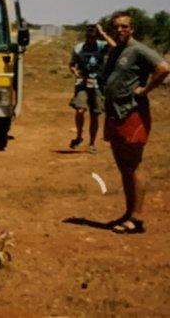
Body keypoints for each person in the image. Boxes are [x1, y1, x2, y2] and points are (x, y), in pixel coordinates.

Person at [100, 12, 169, 234]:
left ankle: (137, 217)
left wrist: (145, 89)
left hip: (132, 113)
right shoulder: (117, 50)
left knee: (134, 164)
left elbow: (163, 67)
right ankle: (129, 212)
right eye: (115, 27)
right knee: (123, 166)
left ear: (132, 29)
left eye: (124, 27)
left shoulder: (138, 49)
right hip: (114, 112)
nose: (119, 30)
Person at [68, 24, 114, 153]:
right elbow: (72, 64)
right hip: (82, 83)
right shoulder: (79, 48)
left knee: (95, 115)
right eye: (89, 36)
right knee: (80, 110)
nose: (91, 38)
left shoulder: (102, 46)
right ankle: (79, 136)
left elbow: (114, 47)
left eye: (93, 36)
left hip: (98, 84)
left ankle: (92, 143)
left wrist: (103, 33)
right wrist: (75, 72)